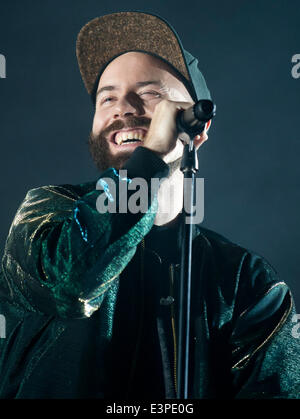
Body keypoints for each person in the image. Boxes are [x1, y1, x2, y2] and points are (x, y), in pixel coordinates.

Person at [0, 11, 299, 399]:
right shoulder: (45, 215)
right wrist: (153, 157)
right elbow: (74, 285)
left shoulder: (245, 279)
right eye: (107, 97)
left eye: (149, 93)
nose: (121, 107)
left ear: (199, 126)